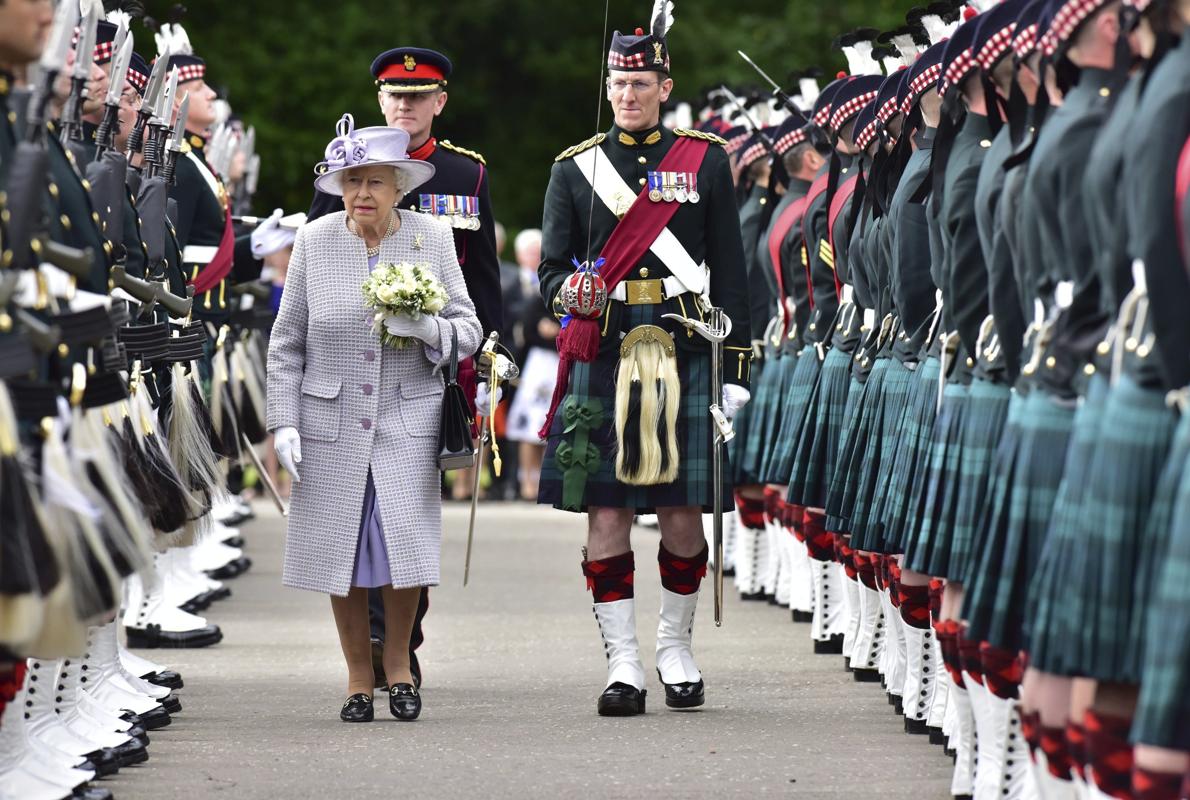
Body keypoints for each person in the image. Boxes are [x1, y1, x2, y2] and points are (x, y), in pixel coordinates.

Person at [537, 2, 752, 716]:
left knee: (683, 513)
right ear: (607, 88)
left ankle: (674, 645)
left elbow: (732, 269)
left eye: (640, 84)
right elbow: (548, 281)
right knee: (605, 516)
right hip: (604, 349)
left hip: (685, 344)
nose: (627, 95)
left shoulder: (705, 160)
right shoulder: (573, 169)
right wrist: (572, 287)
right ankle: (622, 662)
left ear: (665, 85)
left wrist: (739, 374)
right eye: (617, 84)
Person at [266, 116, 482, 722]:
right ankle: (358, 678)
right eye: (351, 181)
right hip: (328, 421)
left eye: (375, 182)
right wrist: (283, 421)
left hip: (405, 421)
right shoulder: (314, 240)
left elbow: (468, 328)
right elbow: (287, 343)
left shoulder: (431, 238)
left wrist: (427, 329)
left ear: (399, 187)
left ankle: (399, 671)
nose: (362, 193)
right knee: (343, 553)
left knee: (400, 549)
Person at [306, 46, 503, 687]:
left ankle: (402, 642)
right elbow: (319, 272)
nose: (405, 105)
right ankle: (370, 646)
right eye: (394, 95)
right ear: (380, 100)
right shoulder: (348, 170)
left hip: (433, 370)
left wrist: (490, 365)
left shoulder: (466, 175)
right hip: (350, 371)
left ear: (438, 102)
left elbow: (482, 284)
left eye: (417, 97)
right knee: (353, 514)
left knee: (405, 519)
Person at [505, 228, 558, 500]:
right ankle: (526, 480)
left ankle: (544, 481)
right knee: (528, 424)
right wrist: (543, 330)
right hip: (533, 362)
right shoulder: (527, 290)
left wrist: (558, 332)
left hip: (557, 361)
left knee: (549, 423)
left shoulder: (557, 284)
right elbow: (528, 328)